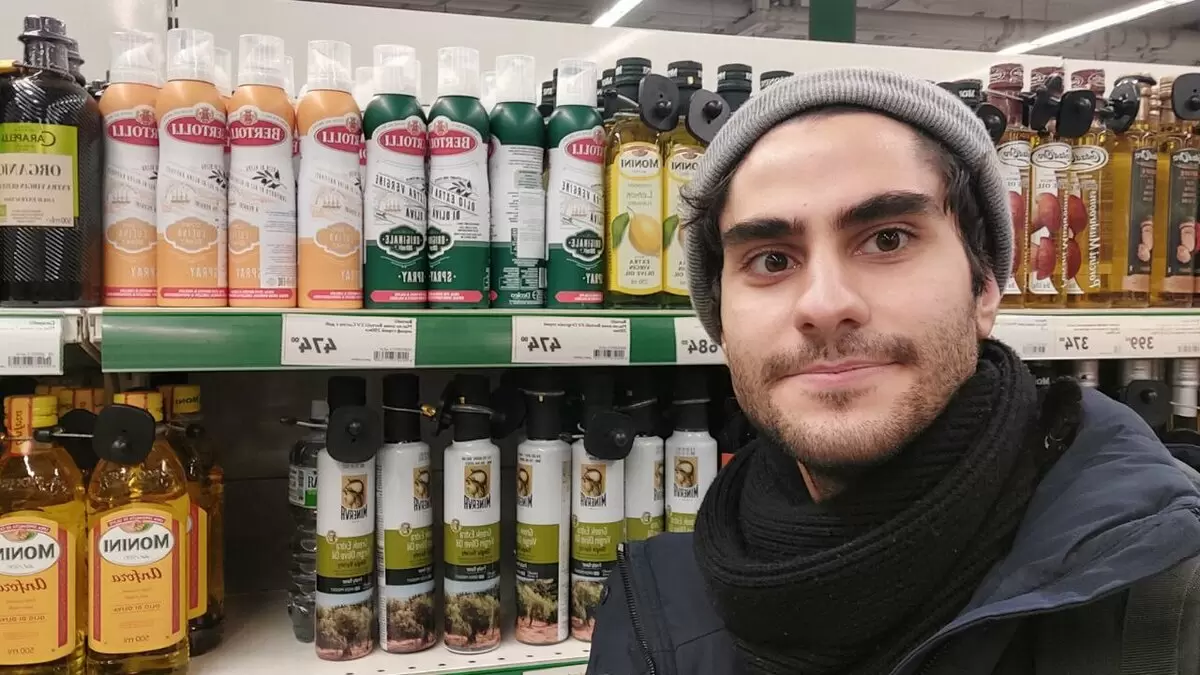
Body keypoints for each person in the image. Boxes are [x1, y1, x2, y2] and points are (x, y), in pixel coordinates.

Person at [586, 68, 1200, 675]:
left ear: (985, 286)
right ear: (721, 320)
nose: (825, 304)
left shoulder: (1164, 588)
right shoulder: (658, 608)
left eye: (887, 240)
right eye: (771, 260)